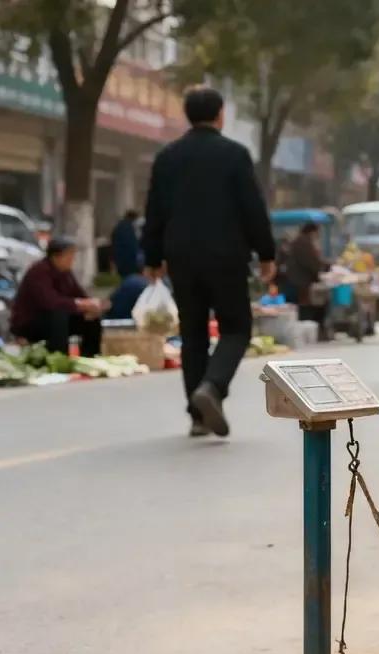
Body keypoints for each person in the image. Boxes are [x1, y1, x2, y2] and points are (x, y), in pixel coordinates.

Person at [142, 85, 276, 438]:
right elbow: (252, 208)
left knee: (193, 333)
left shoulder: (167, 157)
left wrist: (152, 256)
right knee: (235, 328)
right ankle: (213, 387)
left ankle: (198, 417)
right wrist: (266, 253)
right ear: (220, 115)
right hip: (226, 255)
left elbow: (154, 211)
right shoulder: (234, 155)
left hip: (181, 257)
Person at [10, 238, 107, 357]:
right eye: (69, 256)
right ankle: (59, 356)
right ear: (56, 257)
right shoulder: (39, 271)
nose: (72, 260)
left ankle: (91, 355)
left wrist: (91, 305)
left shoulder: (66, 273)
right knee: (59, 315)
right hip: (32, 322)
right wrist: (79, 304)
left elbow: (78, 295)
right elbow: (49, 302)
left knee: (91, 317)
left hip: (57, 317)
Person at [287, 222, 328, 336]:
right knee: (307, 306)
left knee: (309, 305)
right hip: (301, 281)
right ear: (312, 231)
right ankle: (309, 332)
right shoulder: (303, 242)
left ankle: (313, 330)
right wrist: (324, 267)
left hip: (301, 280)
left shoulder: (301, 241)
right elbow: (311, 262)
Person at [111, 209, 141, 278]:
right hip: (129, 260)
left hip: (120, 260)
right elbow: (133, 246)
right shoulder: (129, 228)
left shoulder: (119, 227)